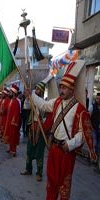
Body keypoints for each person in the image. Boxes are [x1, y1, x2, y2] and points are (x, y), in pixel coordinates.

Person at [29, 61, 97, 200]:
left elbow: (82, 134)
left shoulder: (80, 109)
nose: (62, 90)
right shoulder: (56, 102)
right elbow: (42, 105)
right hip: (53, 148)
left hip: (66, 151)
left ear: (72, 89)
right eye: (61, 87)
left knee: (64, 185)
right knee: (51, 182)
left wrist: (70, 144)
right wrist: (31, 94)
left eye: (65, 88)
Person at [21, 82, 47, 181]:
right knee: (29, 150)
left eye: (39, 90)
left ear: (42, 91)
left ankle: (39, 173)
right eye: (36, 89)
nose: (37, 91)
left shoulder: (44, 103)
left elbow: (46, 117)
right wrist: (28, 98)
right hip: (32, 128)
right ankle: (28, 169)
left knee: (39, 152)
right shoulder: (32, 101)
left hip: (40, 131)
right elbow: (26, 107)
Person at [4, 84, 21, 157]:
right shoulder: (11, 100)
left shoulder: (16, 101)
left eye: (10, 92)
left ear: (14, 93)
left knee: (13, 136)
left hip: (13, 123)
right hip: (9, 121)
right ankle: (10, 148)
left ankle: (13, 150)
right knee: (10, 136)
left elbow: (17, 112)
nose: (9, 93)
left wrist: (14, 121)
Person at [90, 93, 100, 158]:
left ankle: (97, 154)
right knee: (94, 142)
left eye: (99, 99)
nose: (98, 100)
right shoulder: (92, 107)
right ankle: (93, 155)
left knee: (99, 143)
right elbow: (88, 117)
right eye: (97, 98)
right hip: (93, 128)